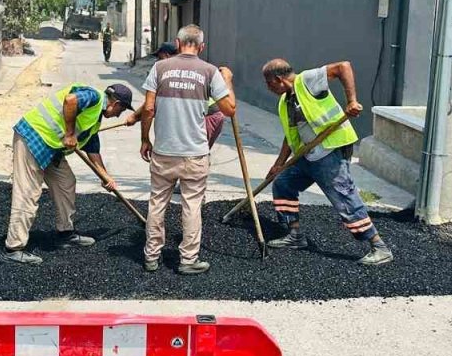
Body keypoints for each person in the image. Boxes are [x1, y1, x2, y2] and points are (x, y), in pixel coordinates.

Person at [261, 58, 393, 266]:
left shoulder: (307, 81)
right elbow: (290, 135)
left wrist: (351, 100)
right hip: (307, 155)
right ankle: (294, 235)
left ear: (278, 79)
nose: (269, 89)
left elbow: (344, 67)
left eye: (269, 84)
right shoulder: (285, 101)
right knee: (283, 184)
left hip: (329, 151)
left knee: (343, 196)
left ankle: (379, 246)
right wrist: (279, 164)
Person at [4, 83, 137, 266]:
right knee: (28, 193)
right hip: (33, 137)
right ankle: (14, 247)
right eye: (121, 110)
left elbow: (93, 152)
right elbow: (70, 100)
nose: (119, 115)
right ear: (116, 104)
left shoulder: (94, 119)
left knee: (66, 182)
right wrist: (69, 134)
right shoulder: (94, 97)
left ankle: (65, 232)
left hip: (52, 148)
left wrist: (106, 177)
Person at [139, 24, 235, 275]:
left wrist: (145, 139)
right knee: (191, 205)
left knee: (157, 202)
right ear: (201, 47)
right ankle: (188, 260)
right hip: (195, 152)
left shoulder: (159, 68)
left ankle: (151, 256)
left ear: (178, 43)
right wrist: (227, 81)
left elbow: (148, 109)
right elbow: (229, 109)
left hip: (164, 151)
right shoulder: (209, 71)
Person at [155, 42, 224, 147]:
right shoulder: (183, 67)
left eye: (159, 58)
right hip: (204, 113)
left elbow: (150, 105)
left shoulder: (173, 71)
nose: (158, 61)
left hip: (209, 115)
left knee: (194, 151)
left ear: (166, 56)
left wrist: (134, 117)